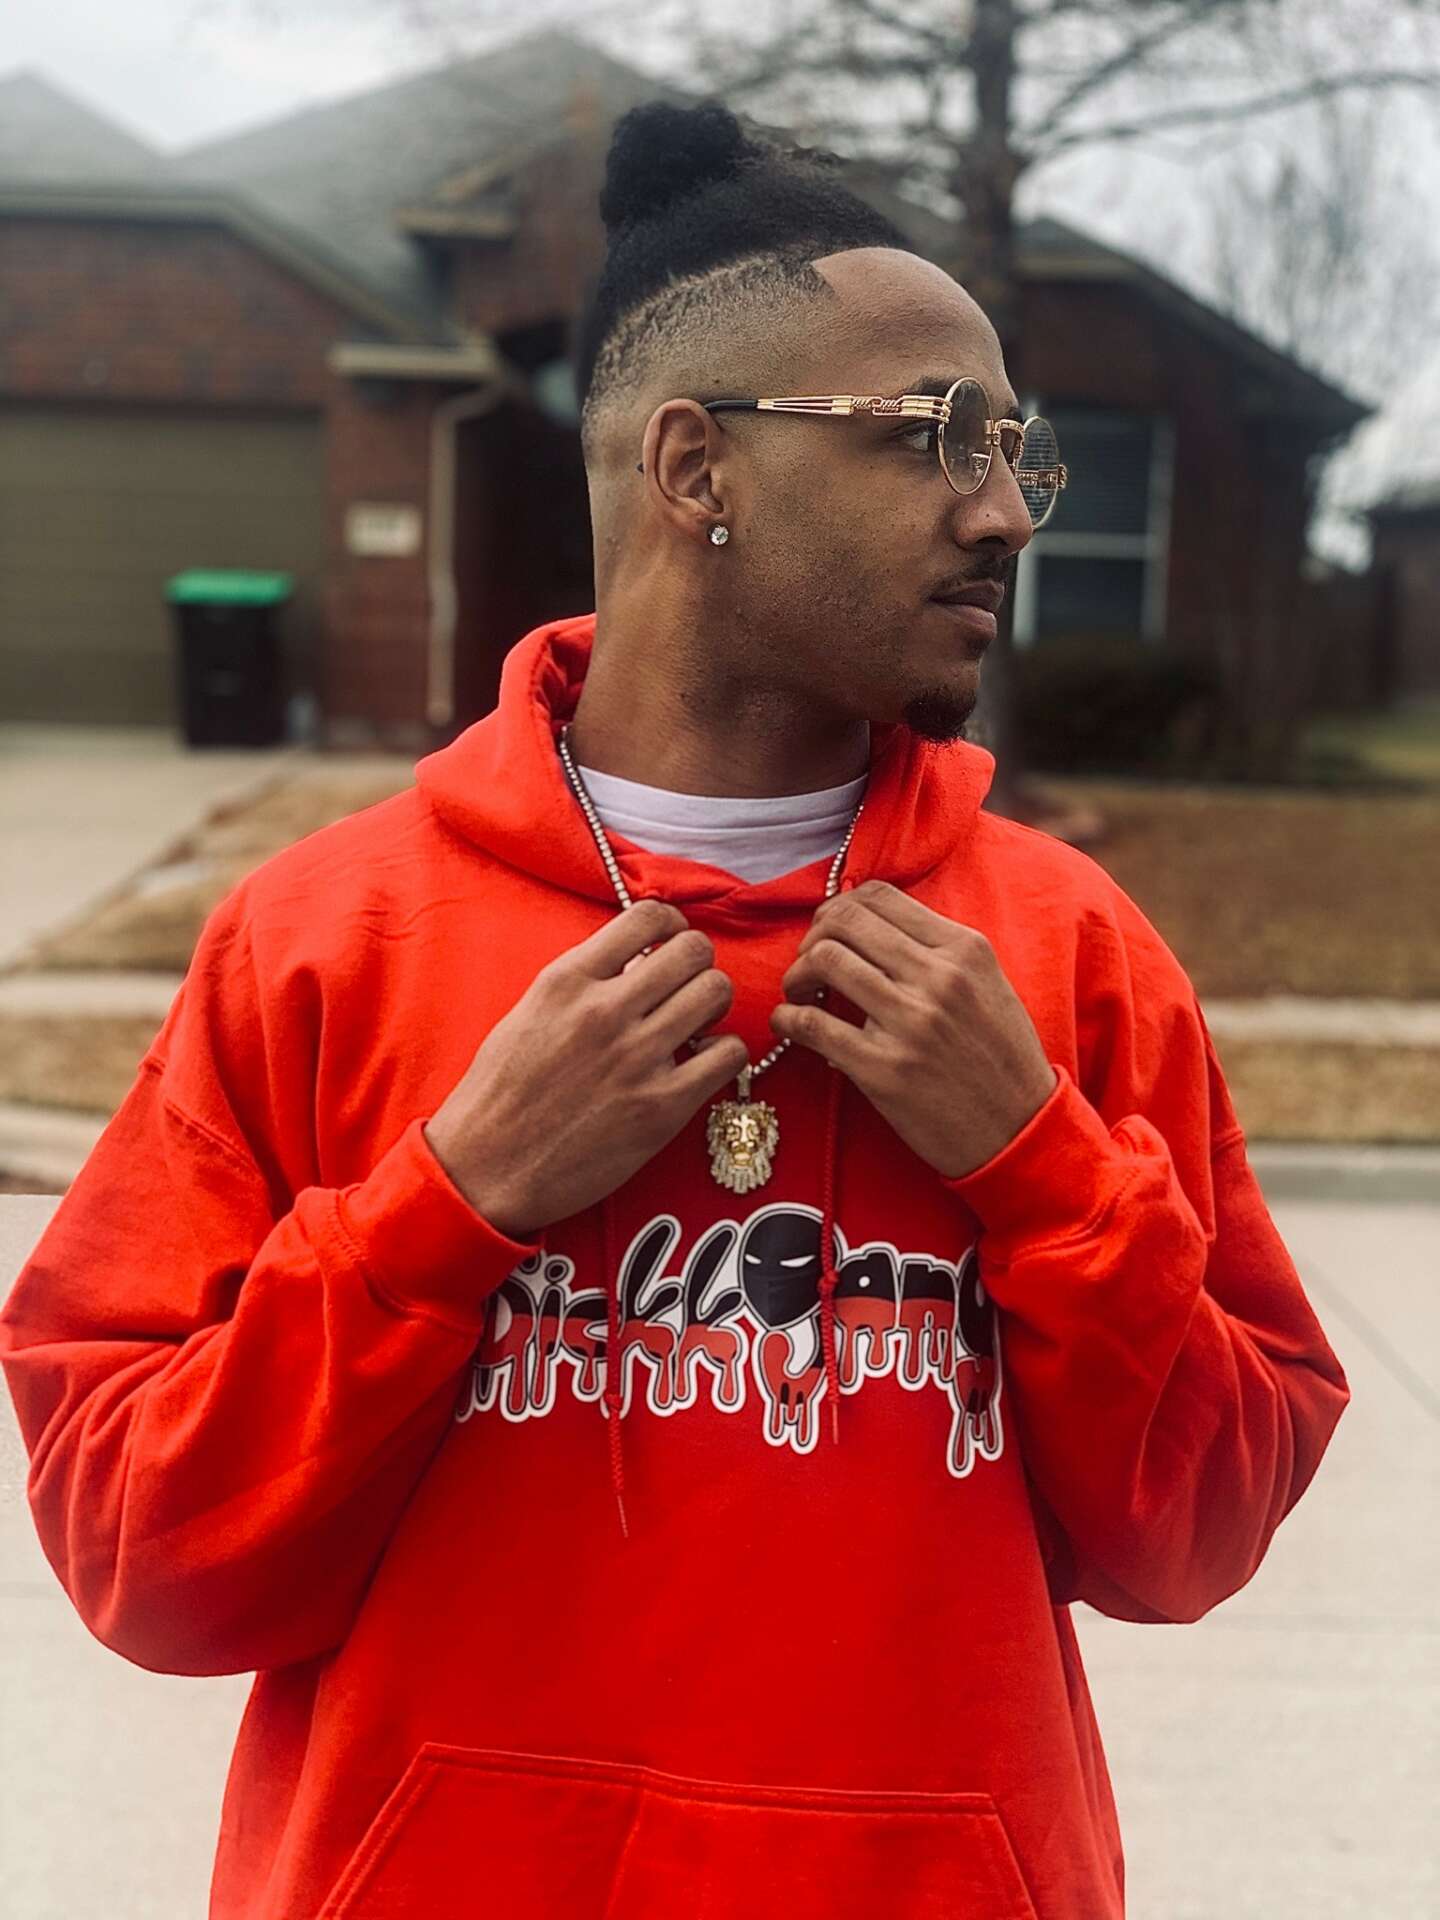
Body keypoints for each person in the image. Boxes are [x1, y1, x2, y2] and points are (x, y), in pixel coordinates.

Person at [0, 100, 1349, 1920]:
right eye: (932, 436)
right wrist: (447, 1204)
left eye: (1013, 449)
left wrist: (1042, 1172)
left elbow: (1202, 1532)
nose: (1003, 510)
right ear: (696, 466)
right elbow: (142, 1555)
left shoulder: (1070, 954)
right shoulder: (323, 941)